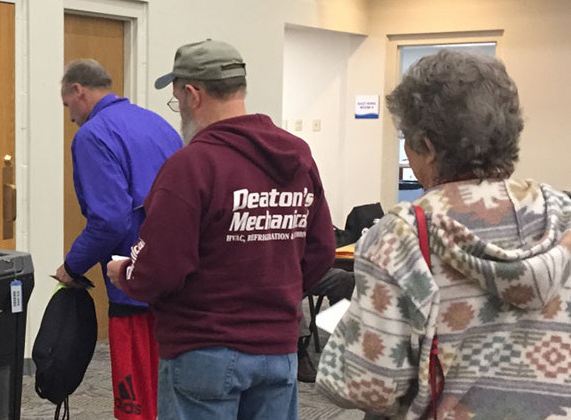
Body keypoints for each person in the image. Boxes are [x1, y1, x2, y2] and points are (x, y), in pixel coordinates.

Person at [316, 49, 571, 419]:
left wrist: (344, 348)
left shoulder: (400, 236)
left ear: (429, 148)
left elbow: (370, 387)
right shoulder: (562, 214)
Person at [107, 39, 337, 420]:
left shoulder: (192, 165)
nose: (178, 107)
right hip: (279, 350)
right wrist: (276, 292)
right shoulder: (297, 155)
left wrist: (127, 274)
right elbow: (321, 251)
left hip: (204, 350)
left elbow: (161, 269)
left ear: (193, 94)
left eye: (177, 97)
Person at [55, 59, 182, 420]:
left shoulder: (94, 134)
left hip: (131, 284)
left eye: (67, 105)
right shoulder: (158, 124)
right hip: (175, 279)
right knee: (171, 392)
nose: (70, 118)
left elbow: (109, 220)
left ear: (78, 90)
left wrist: (72, 265)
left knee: (137, 401)